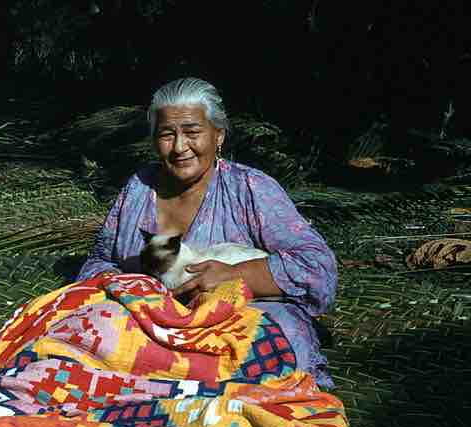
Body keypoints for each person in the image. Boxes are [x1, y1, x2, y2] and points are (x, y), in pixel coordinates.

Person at [76, 77, 338, 388]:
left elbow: (317, 267)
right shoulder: (138, 188)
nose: (179, 147)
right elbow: (99, 261)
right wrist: (136, 292)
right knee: (85, 331)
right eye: (167, 134)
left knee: (270, 341)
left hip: (231, 326)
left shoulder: (250, 188)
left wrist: (234, 275)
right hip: (149, 324)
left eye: (192, 132)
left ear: (218, 135)